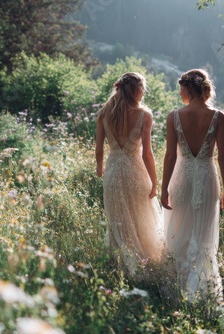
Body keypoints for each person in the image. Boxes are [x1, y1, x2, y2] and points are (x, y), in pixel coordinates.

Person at [161, 69, 224, 306]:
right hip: (207, 177)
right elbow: (223, 156)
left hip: (180, 178)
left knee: (178, 233)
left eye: (181, 87)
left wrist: (163, 188)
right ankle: (201, 289)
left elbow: (170, 156)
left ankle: (179, 292)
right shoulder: (218, 116)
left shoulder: (174, 116)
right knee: (203, 237)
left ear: (189, 88)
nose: (180, 92)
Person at [95, 72, 164, 277]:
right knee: (141, 217)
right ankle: (146, 264)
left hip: (113, 172)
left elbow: (99, 149)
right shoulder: (144, 115)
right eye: (142, 89)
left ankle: (121, 267)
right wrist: (155, 182)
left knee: (118, 219)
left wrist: (100, 169)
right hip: (136, 171)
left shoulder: (104, 113)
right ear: (136, 90)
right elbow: (148, 154)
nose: (143, 93)